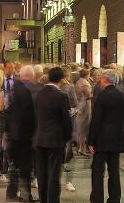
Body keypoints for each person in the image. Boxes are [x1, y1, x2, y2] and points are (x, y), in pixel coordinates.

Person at [87, 69, 124, 203]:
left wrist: (91, 141)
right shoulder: (123, 96)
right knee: (114, 171)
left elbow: (96, 120)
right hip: (117, 138)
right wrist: (121, 132)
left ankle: (97, 198)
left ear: (105, 79)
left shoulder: (102, 96)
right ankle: (115, 199)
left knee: (98, 171)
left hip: (101, 139)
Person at [35, 67, 73, 203]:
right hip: (56, 140)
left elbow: (34, 116)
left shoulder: (39, 94)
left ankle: (43, 199)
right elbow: (67, 120)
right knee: (53, 174)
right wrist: (67, 137)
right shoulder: (62, 96)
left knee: (41, 173)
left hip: (39, 138)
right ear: (61, 79)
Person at [5, 67, 36, 201]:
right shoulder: (27, 91)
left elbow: (7, 111)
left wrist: (7, 130)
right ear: (30, 76)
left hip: (13, 133)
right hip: (24, 134)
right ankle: (25, 195)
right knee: (25, 166)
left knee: (13, 164)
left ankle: (11, 193)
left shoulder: (12, 89)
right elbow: (29, 115)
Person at [75, 69, 92, 156]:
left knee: (80, 127)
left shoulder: (79, 81)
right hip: (85, 105)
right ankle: (82, 148)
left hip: (80, 104)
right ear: (87, 74)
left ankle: (79, 148)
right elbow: (88, 95)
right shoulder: (85, 83)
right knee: (84, 127)